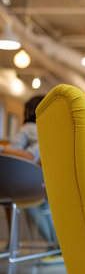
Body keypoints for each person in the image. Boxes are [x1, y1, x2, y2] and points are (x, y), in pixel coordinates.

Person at [0, 96, 59, 250]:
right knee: (45, 208)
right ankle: (57, 247)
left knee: (24, 201)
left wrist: (2, 149)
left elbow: (14, 153)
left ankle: (52, 246)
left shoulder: (28, 128)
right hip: (50, 179)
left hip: (30, 181)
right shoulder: (54, 128)